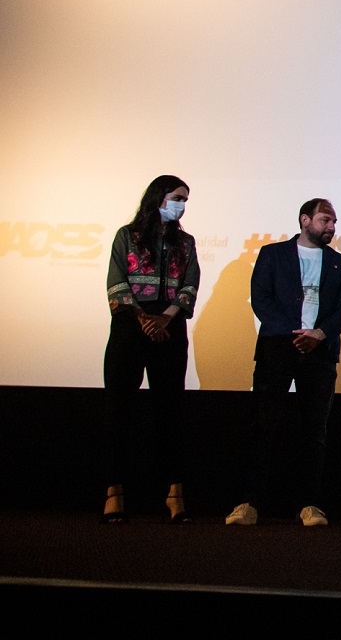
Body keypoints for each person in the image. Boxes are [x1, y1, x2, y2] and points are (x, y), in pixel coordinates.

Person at [225, 198, 341, 528]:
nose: (332, 227)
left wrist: (320, 334)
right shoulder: (272, 254)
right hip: (277, 351)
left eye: (334, 222)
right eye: (326, 220)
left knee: (315, 431)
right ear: (305, 220)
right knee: (263, 427)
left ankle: (309, 504)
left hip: (320, 353)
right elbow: (261, 299)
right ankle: (250, 503)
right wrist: (294, 333)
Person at [102, 174, 200, 523]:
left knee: (170, 411)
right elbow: (116, 282)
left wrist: (166, 318)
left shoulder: (185, 242)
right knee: (119, 408)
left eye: (185, 199)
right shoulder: (127, 236)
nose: (182, 205)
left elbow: (189, 286)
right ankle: (114, 494)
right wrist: (144, 319)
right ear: (158, 198)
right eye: (177, 197)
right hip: (131, 326)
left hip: (169, 329)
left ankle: (175, 495)